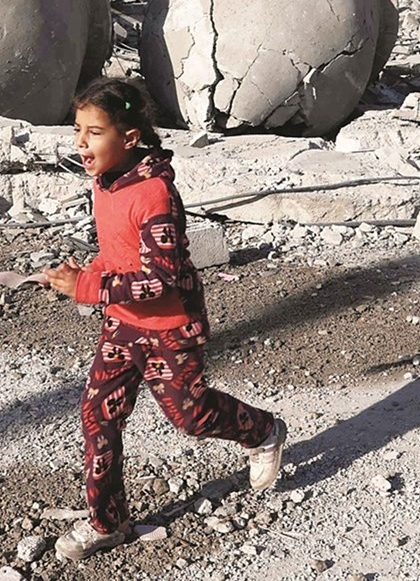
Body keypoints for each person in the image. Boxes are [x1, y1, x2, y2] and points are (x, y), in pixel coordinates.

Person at [43, 77, 286, 560]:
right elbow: (118, 253)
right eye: (77, 130)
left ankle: (262, 431)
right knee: (98, 416)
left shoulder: (155, 195)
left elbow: (162, 279)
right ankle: (108, 522)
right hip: (121, 324)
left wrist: (88, 289)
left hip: (169, 328)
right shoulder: (105, 182)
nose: (81, 143)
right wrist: (85, 273)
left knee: (191, 417)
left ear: (129, 138)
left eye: (94, 133)